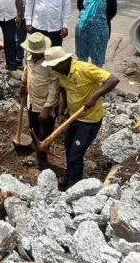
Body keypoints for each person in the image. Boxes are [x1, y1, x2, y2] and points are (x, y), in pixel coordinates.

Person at [45, 47, 119, 187]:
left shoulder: (84, 69)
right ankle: (69, 176)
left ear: (63, 62)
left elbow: (113, 80)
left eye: (53, 65)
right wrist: (61, 112)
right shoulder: (61, 73)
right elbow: (64, 94)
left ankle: (74, 186)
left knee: (76, 154)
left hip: (90, 121)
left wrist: (94, 96)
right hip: (74, 118)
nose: (52, 69)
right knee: (68, 148)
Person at [19, 33, 60, 170]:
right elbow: (27, 70)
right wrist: (23, 84)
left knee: (45, 134)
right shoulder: (29, 56)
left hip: (45, 105)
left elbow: (54, 87)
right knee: (33, 129)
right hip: (32, 101)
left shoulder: (50, 63)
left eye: (37, 53)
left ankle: (42, 161)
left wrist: (47, 108)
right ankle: (37, 153)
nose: (34, 55)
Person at [75, 0, 117, 67]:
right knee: (82, 56)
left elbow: (112, 12)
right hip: (83, 29)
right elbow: (80, 6)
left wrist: (98, 21)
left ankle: (96, 78)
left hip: (100, 32)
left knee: (97, 58)